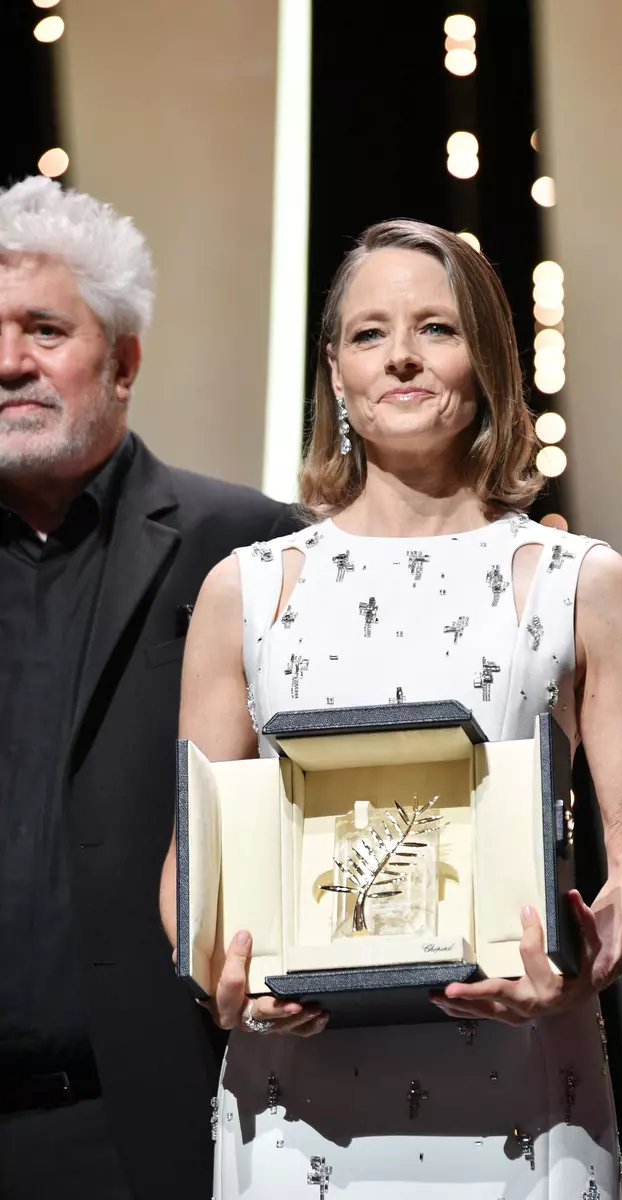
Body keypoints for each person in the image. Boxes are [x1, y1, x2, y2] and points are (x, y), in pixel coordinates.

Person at [161, 219, 622, 1198]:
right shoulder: (246, 589)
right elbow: (193, 862)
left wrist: (576, 970)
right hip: (295, 1111)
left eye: (434, 328)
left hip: (520, 1093)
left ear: (485, 356)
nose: (399, 354)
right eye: (368, 334)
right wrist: (220, 978)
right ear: (334, 371)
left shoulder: (579, 580)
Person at [0, 176, 299, 1200]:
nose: (8, 363)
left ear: (122, 362)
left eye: (45, 330)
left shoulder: (249, 546)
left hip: (147, 1127)